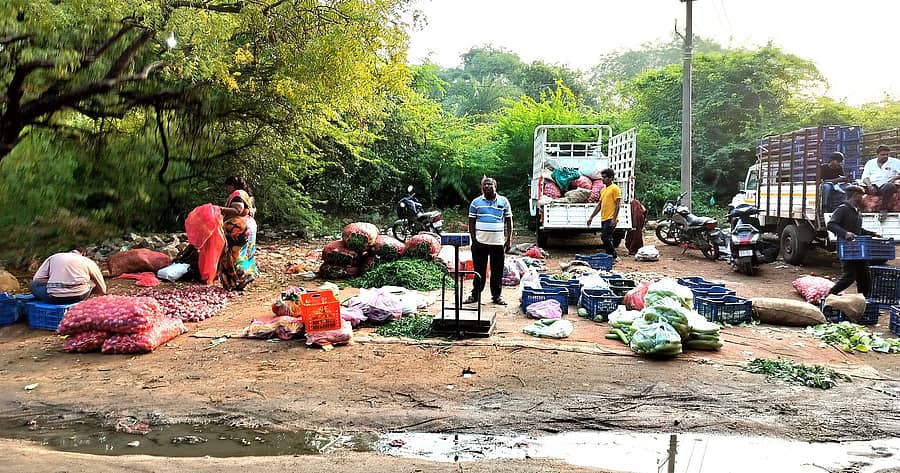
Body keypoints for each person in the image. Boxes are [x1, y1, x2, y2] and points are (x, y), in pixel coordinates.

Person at [465, 177, 513, 306]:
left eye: (489, 184)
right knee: (479, 271)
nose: (487, 186)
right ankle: (475, 295)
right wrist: (474, 239)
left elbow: (509, 221)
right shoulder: (476, 203)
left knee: (497, 271)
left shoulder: (504, 201)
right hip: (480, 243)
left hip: (498, 243)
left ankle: (496, 296)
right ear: (482, 187)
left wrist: (508, 240)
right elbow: (471, 221)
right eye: (484, 185)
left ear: (495, 186)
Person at [827, 185, 880, 297]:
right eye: (861, 195)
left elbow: (858, 230)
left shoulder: (857, 211)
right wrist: (845, 233)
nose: (863, 198)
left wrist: (872, 234)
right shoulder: (843, 209)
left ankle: (864, 302)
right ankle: (829, 295)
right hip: (847, 248)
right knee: (849, 276)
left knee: (864, 276)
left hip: (858, 249)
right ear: (855, 196)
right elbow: (831, 224)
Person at [218, 176, 258, 291]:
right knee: (247, 253)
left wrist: (219, 209)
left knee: (234, 254)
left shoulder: (237, 194)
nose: (226, 189)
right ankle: (243, 278)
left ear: (233, 185)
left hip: (239, 228)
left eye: (227, 186)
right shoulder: (246, 195)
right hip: (249, 226)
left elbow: (238, 210)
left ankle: (240, 277)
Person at [30, 249, 107, 304]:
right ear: (83, 253)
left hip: (55, 298)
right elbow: (103, 290)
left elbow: (37, 280)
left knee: (32, 284)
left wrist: (53, 281)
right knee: (91, 283)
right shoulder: (88, 261)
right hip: (80, 296)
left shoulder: (54, 257)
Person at [586, 168, 622, 259]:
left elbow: (618, 205)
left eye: (605, 177)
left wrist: (614, 219)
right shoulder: (603, 190)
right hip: (604, 218)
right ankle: (609, 256)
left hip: (611, 218)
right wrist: (591, 217)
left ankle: (613, 256)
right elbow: (599, 205)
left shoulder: (615, 189)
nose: (603, 179)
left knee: (605, 237)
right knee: (607, 237)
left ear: (611, 178)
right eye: (602, 177)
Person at [861, 145, 900, 219]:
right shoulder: (870, 163)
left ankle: (883, 209)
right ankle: (851, 210)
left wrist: (894, 178)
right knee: (853, 188)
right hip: (872, 185)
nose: (885, 156)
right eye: (883, 155)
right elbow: (865, 177)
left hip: (886, 185)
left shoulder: (895, 162)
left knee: (889, 186)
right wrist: (869, 186)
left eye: (887, 154)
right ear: (877, 155)